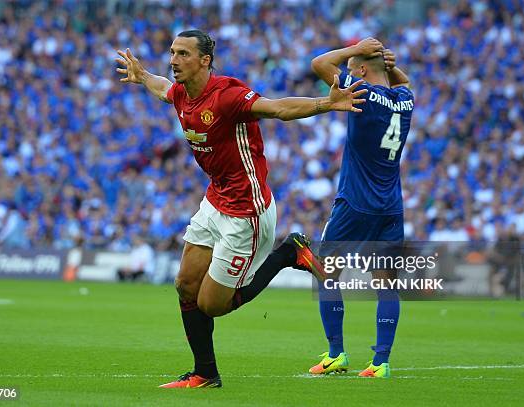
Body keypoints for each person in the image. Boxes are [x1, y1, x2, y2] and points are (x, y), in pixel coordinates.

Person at [115, 29, 367, 388]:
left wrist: (326, 103)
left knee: (212, 305)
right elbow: (161, 90)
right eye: (172, 52)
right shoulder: (181, 93)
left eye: (183, 54)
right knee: (185, 285)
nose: (173, 60)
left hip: (246, 212)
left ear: (205, 60)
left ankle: (288, 253)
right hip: (215, 200)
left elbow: (277, 108)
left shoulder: (228, 96)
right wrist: (142, 77)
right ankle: (205, 374)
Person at [309, 37, 414, 378]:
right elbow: (403, 80)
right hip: (390, 206)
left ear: (362, 70)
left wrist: (355, 51)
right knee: (387, 283)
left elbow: (319, 63)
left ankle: (337, 353)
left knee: (326, 273)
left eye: (353, 68)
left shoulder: (362, 93)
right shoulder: (406, 99)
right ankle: (381, 362)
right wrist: (387, 61)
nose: (347, 73)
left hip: (355, 202)